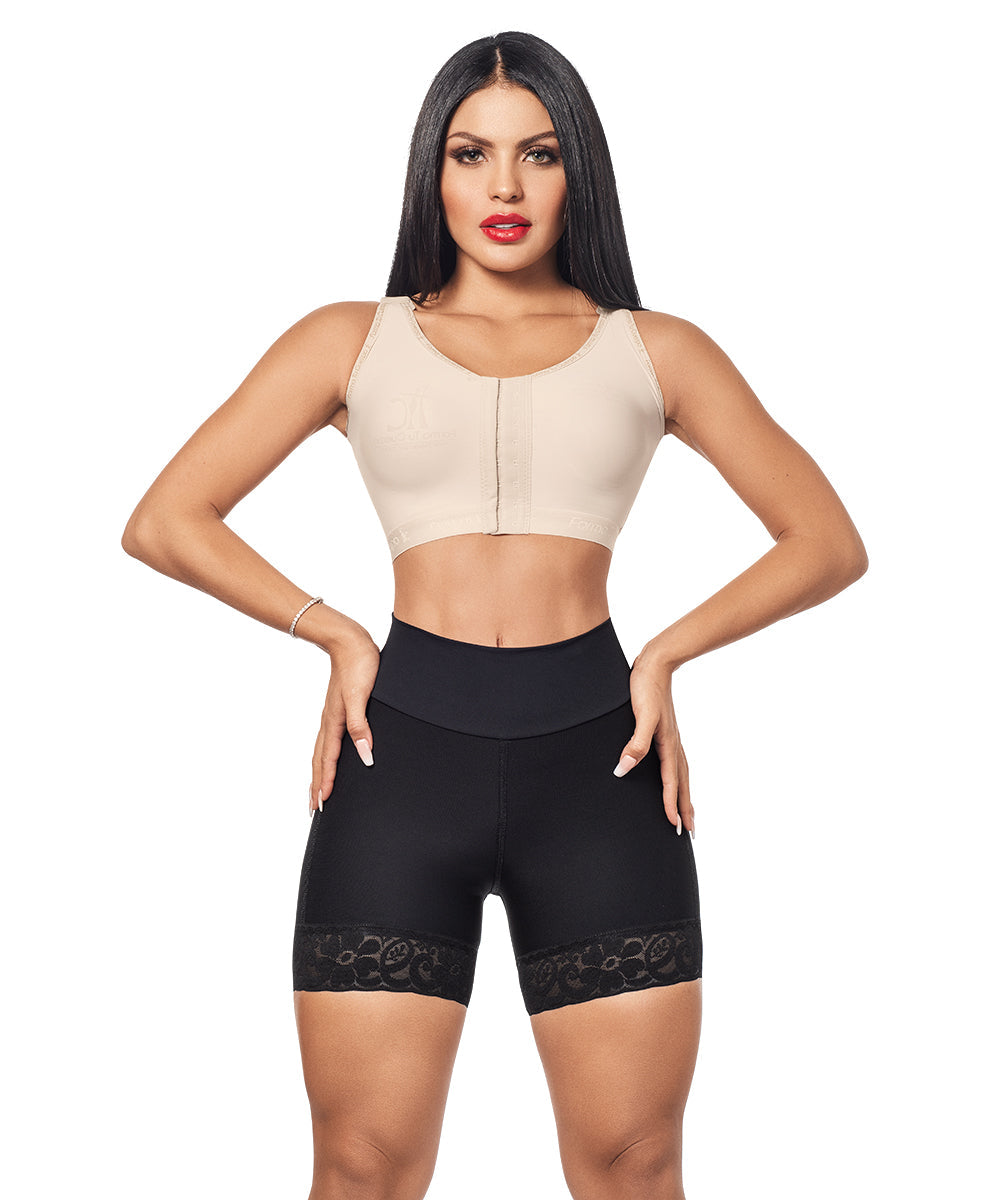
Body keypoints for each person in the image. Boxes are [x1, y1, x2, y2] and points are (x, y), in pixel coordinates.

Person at [122, 30, 868, 1200]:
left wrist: (665, 653)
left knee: (634, 1166)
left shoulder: (656, 350)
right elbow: (167, 519)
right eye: (471, 154)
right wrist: (332, 628)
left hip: (604, 766)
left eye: (540, 154)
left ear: (580, 173)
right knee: (362, 1167)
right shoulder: (348, 339)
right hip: (399, 758)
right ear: (433, 169)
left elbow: (825, 541)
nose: (505, 187)